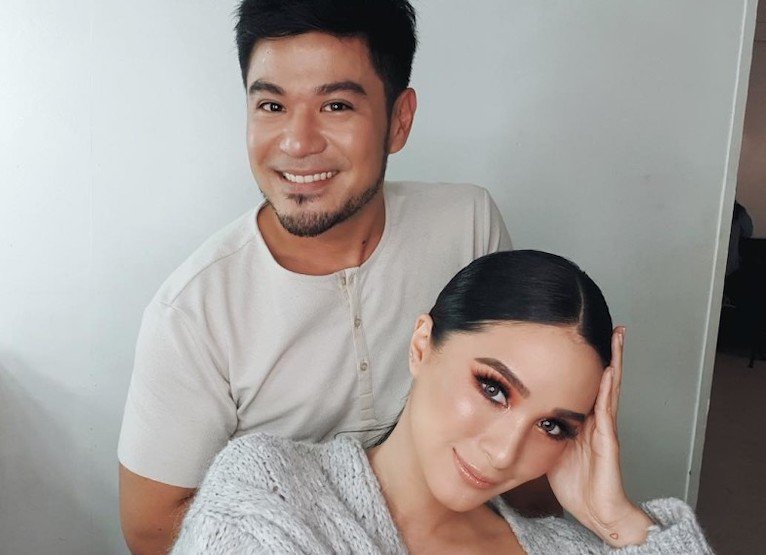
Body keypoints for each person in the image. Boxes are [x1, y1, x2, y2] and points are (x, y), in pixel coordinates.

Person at [118, 1, 529, 552]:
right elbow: (151, 529)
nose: (296, 142)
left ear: (399, 120)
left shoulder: (468, 227)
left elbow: (521, 421)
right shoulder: (193, 313)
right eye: (271, 105)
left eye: (336, 105)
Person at [171, 250, 712, 554]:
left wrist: (617, 522)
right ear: (421, 344)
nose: (504, 453)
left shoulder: (567, 548)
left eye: (553, 426)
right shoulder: (269, 491)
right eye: (494, 389)